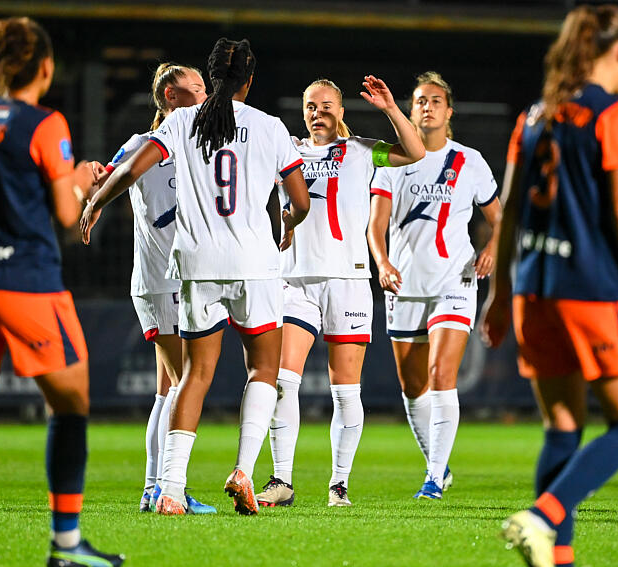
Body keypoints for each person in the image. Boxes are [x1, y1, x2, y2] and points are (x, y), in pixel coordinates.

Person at [80, 37, 310, 516]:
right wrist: (287, 221)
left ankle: (168, 488)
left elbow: (128, 169)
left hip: (196, 264)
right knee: (263, 370)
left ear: (213, 78)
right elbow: (300, 201)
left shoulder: (182, 121)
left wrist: (96, 201)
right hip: (254, 264)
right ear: (249, 80)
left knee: (192, 376)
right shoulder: (269, 127)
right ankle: (244, 470)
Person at [0, 17, 123, 567]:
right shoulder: (45, 123)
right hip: (25, 283)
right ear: (45, 66)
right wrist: (82, 178)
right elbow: (65, 214)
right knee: (72, 404)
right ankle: (66, 546)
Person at [481, 5, 618, 567]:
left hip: (533, 287)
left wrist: (499, 292)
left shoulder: (534, 116)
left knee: (563, 426)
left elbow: (508, 212)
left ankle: (557, 558)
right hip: (590, 286)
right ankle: (542, 515)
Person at [255, 77, 425, 508]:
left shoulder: (362, 151)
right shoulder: (285, 151)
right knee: (282, 383)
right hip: (295, 280)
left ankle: (339, 484)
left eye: (327, 106)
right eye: (311, 106)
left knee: (345, 391)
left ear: (342, 111)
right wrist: (279, 225)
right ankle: (281, 481)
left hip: (347, 283)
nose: (318, 113)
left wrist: (390, 108)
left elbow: (416, 152)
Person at [83, 63, 215, 513]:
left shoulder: (199, 146)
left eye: (206, 86)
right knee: (183, 382)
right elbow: (106, 175)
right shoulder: (144, 145)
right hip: (163, 281)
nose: (205, 93)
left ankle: (152, 487)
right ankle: (165, 488)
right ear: (170, 97)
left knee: (167, 388)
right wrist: (94, 183)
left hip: (182, 280)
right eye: (195, 87)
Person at [367, 71, 500, 500]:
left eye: (435, 100)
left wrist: (492, 248)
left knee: (441, 374)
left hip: (454, 280)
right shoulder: (392, 161)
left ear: (449, 111)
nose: (427, 106)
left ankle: (432, 479)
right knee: (412, 387)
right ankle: (437, 466)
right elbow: (376, 226)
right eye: (420, 100)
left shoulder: (470, 161)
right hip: (404, 285)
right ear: (411, 109)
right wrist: (383, 262)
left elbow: (501, 220)